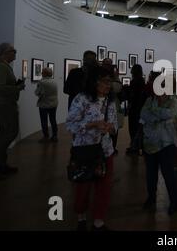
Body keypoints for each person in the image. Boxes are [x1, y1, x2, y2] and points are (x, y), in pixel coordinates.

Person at [66, 66, 118, 231]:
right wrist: (92, 124)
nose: (109, 85)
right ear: (94, 81)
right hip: (84, 150)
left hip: (105, 150)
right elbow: (70, 125)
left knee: (104, 187)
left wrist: (111, 127)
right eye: (105, 81)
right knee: (83, 186)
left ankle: (98, 221)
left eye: (110, 81)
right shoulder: (82, 99)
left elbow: (115, 125)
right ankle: (81, 216)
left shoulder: (110, 101)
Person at [140, 74, 177, 215]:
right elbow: (144, 115)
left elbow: (169, 114)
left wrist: (155, 114)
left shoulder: (173, 101)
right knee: (150, 175)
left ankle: (174, 202)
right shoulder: (149, 100)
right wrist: (159, 115)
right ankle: (151, 197)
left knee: (168, 174)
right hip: (150, 143)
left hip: (167, 143)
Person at [0, 43, 25, 177]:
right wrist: (17, 88)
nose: (15, 53)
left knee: (4, 133)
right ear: (5, 53)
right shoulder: (1, 67)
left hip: (2, 103)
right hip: (4, 104)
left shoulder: (1, 66)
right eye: (13, 51)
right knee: (11, 132)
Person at [102, 58, 124, 155]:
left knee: (113, 128)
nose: (108, 66)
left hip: (113, 106)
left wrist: (116, 77)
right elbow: (116, 88)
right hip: (103, 107)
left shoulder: (112, 77)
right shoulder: (101, 76)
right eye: (106, 64)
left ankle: (112, 148)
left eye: (109, 64)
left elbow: (117, 89)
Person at [125, 65, 147, 156]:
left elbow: (132, 96)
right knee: (139, 129)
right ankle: (138, 147)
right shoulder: (142, 81)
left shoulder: (134, 82)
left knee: (133, 128)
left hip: (134, 109)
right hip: (140, 108)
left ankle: (134, 148)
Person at [34, 67, 58, 143]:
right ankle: (55, 136)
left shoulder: (42, 82)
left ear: (44, 73)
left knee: (44, 121)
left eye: (42, 72)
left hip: (44, 104)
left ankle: (46, 136)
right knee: (53, 120)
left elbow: (37, 93)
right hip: (54, 103)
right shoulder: (54, 81)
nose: (41, 73)